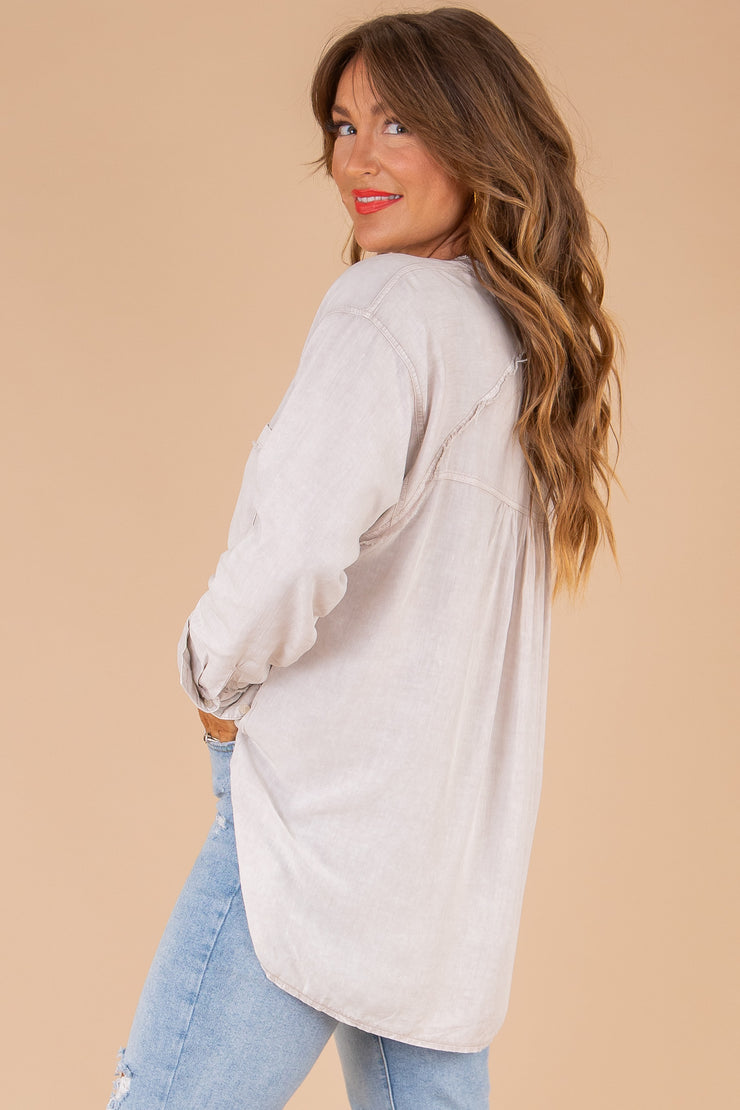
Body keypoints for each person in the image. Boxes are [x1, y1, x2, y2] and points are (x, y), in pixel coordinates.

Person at [106, 8, 621, 1109]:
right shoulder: (520, 352)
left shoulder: (386, 309)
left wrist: (209, 677)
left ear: (476, 135)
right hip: (440, 866)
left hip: (319, 820)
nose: (358, 160)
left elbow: (293, 550)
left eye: (398, 123)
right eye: (344, 127)